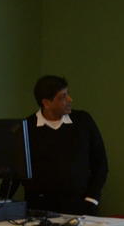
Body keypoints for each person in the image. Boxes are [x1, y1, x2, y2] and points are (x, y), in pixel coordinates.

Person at [16, 75, 108, 216]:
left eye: (68, 94)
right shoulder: (26, 127)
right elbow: (15, 171)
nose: (70, 100)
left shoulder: (83, 121)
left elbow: (101, 163)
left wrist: (92, 199)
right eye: (63, 97)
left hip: (81, 206)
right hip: (39, 208)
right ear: (46, 103)